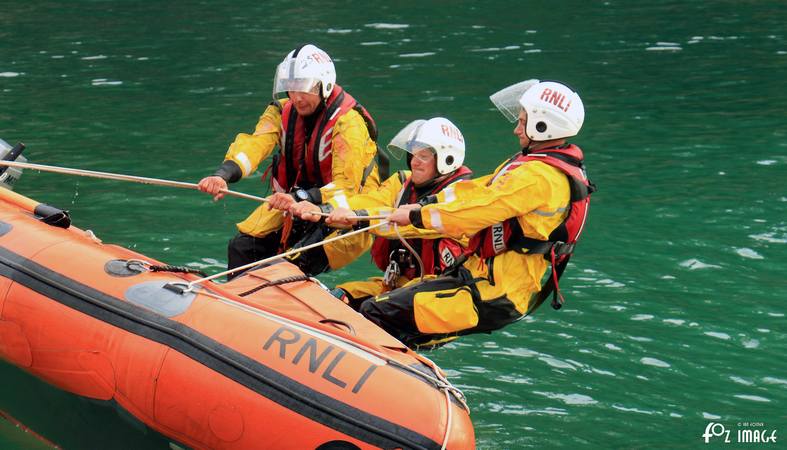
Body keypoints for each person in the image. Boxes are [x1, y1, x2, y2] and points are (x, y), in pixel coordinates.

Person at [364, 80, 596, 348]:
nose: (516, 129)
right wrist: (427, 203)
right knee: (391, 314)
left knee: (377, 311)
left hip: (494, 292)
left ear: (542, 125)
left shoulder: (538, 177)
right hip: (478, 279)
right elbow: (477, 191)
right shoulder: (533, 167)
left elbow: (477, 211)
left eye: (522, 122)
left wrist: (419, 216)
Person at [198, 44, 385, 279]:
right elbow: (255, 144)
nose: (296, 96)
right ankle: (236, 303)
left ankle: (271, 307)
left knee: (288, 265)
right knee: (242, 248)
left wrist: (303, 198)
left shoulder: (349, 124)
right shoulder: (281, 110)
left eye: (304, 88)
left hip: (341, 214)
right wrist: (222, 174)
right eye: (292, 87)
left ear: (324, 85)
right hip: (293, 203)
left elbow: (346, 187)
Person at [291, 117, 472, 308]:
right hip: (398, 284)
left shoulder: (458, 199)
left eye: (424, 156)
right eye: (413, 154)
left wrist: (358, 219)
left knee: (371, 309)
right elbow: (370, 201)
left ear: (447, 160)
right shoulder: (402, 182)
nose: (415, 162)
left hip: (436, 295)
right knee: (338, 297)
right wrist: (322, 210)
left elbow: (406, 224)